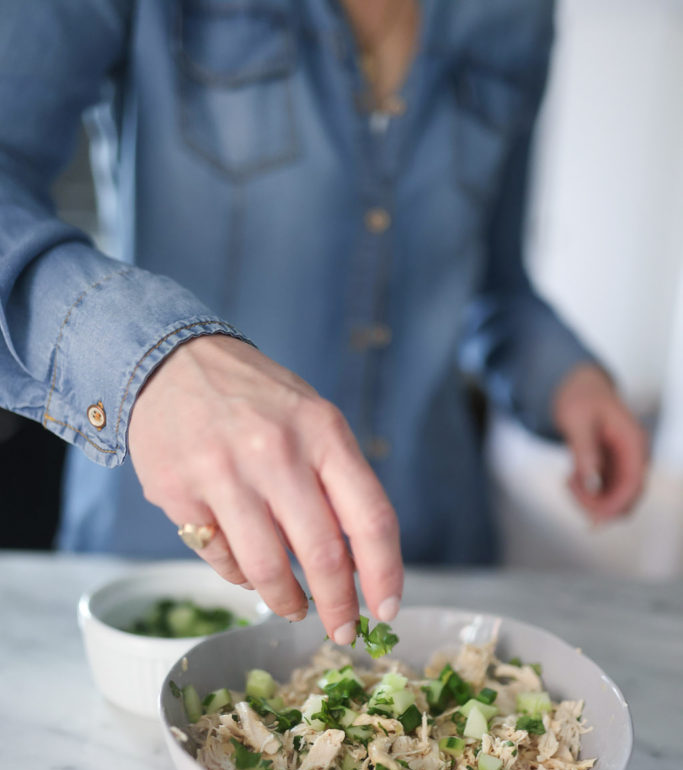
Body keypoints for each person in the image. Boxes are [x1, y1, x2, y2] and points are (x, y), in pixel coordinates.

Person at [0, 0, 646, 645]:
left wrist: (563, 377)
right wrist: (149, 361)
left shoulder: (516, 17)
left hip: (436, 560)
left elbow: (492, 282)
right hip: (167, 564)